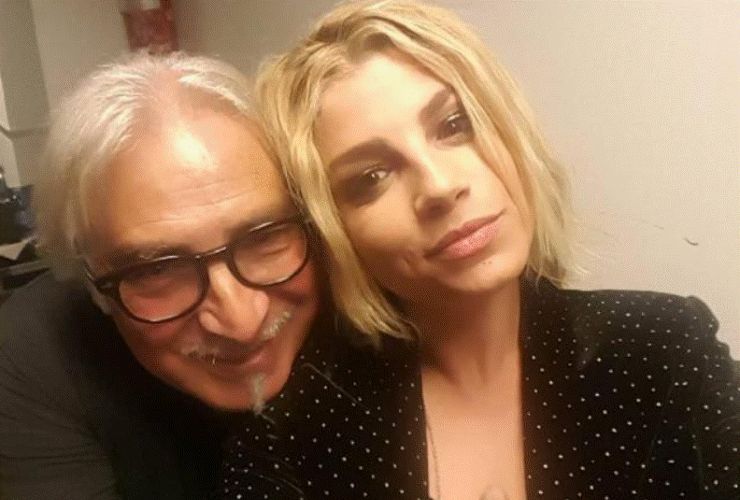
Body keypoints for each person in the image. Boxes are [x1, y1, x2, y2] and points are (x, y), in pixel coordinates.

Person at [219, 1, 740, 499]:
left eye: (454, 125)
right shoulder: (294, 435)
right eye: (371, 177)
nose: (440, 186)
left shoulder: (666, 351)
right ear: (335, 231)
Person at [0, 52, 322, 499]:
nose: (241, 321)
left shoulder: (359, 287)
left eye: (264, 237)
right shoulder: (35, 355)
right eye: (159, 268)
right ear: (90, 277)